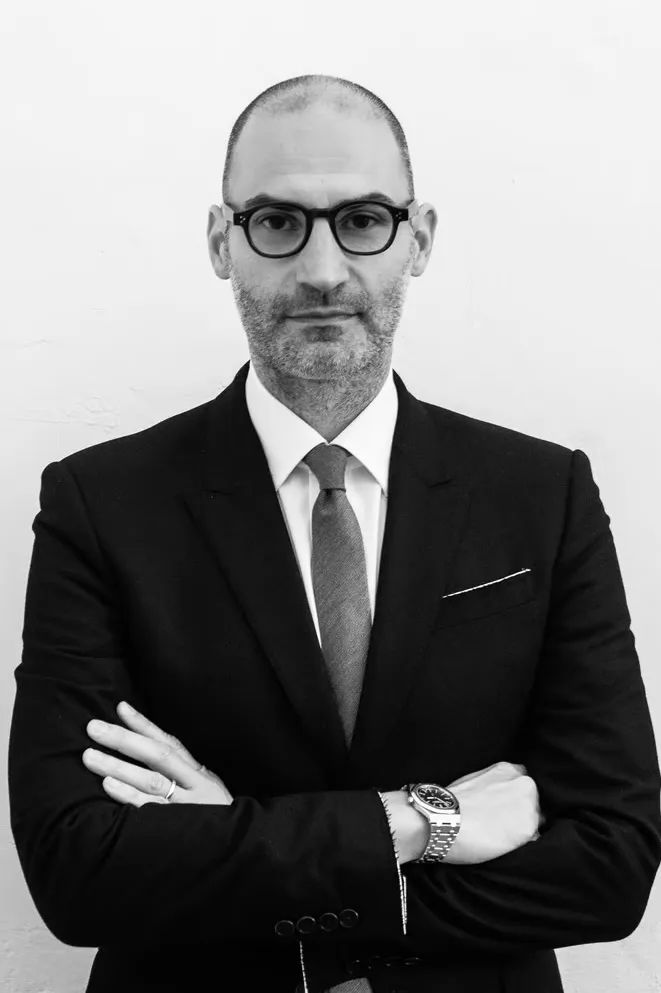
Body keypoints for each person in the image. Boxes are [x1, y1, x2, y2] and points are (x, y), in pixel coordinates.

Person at [8, 73, 661, 993]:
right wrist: (418, 821)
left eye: (362, 220)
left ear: (418, 237)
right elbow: (78, 871)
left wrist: (232, 840)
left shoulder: (541, 495)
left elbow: (611, 863)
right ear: (221, 241)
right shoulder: (101, 504)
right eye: (277, 221)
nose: (321, 269)